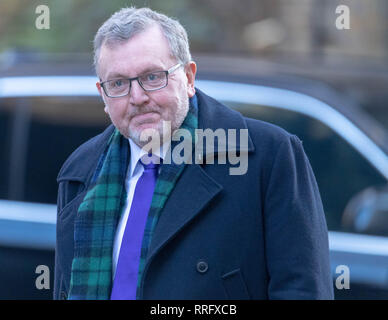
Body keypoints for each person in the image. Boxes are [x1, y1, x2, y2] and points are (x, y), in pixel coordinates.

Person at [54, 7, 334, 300]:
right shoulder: (80, 171)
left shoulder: (268, 157)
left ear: (188, 77)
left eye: (152, 77)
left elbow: (303, 291)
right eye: (119, 84)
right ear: (103, 94)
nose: (137, 98)